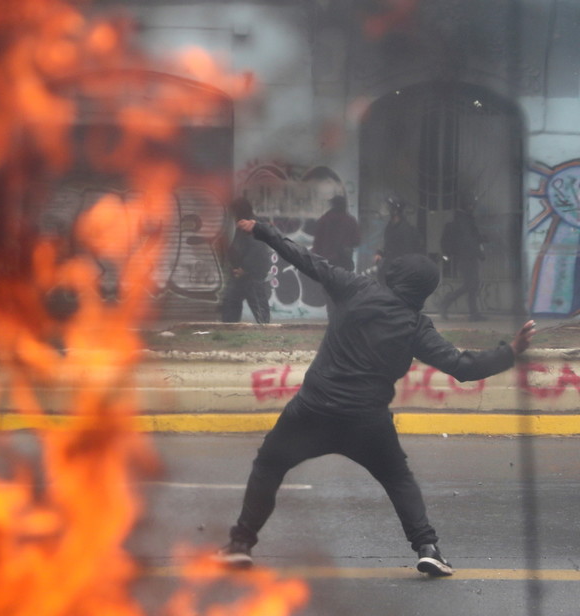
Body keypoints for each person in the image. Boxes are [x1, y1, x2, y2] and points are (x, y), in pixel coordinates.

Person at [220, 217, 535, 577]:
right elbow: (462, 366)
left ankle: (240, 544)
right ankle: (428, 548)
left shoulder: (354, 288)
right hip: (366, 422)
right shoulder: (416, 326)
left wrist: (263, 230)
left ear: (393, 275)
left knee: (268, 466)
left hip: (313, 410)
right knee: (398, 479)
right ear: (424, 292)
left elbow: (304, 258)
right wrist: (511, 351)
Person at [221, 198, 272, 324]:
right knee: (232, 302)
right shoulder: (244, 224)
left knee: (256, 304)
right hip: (242, 273)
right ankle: (230, 328)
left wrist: (244, 268)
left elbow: (257, 249)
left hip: (251, 274)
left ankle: (265, 330)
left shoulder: (251, 225)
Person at [439, 203, 485, 321]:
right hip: (466, 257)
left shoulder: (464, 219)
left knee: (472, 285)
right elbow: (469, 241)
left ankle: (473, 313)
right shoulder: (464, 221)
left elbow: (473, 238)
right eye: (471, 204)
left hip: (466, 257)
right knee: (470, 285)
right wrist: (479, 253)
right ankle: (446, 302)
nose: (472, 207)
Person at [311, 194, 360, 272]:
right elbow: (357, 241)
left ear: (333, 205)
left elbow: (317, 242)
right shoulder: (350, 221)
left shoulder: (324, 220)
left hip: (326, 262)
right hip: (344, 262)